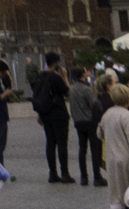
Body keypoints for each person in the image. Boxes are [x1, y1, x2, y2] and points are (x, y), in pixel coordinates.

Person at [34, 51, 74, 183]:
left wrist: (40, 114)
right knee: (62, 143)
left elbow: (38, 95)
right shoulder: (55, 77)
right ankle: (65, 173)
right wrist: (65, 78)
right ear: (56, 62)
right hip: (58, 113)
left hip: (45, 114)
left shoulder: (41, 76)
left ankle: (52, 173)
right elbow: (68, 93)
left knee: (50, 143)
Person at [71, 64, 103, 187]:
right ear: (83, 74)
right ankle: (97, 176)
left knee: (82, 149)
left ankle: (84, 177)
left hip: (78, 122)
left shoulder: (72, 88)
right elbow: (94, 105)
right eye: (86, 71)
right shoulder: (87, 89)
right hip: (89, 121)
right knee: (95, 149)